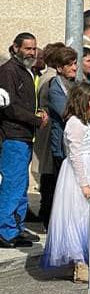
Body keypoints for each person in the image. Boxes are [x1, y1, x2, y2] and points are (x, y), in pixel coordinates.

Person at [40, 82, 90, 282]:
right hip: (82, 174)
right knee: (78, 216)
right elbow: (75, 155)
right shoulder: (74, 124)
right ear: (83, 102)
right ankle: (80, 262)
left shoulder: (84, 123)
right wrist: (84, 184)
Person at [0, 33, 47, 247]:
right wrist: (35, 119)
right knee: (13, 184)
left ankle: (16, 228)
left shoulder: (26, 71)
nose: (32, 52)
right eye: (28, 48)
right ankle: (5, 231)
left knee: (21, 186)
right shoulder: (8, 71)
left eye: (34, 48)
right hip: (13, 136)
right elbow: (8, 106)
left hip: (25, 135)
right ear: (16, 48)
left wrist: (39, 113)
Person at [40, 46, 79, 228]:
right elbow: (66, 113)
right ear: (59, 67)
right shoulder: (55, 86)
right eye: (69, 65)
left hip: (74, 143)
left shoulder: (73, 83)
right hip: (62, 146)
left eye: (75, 63)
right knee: (60, 186)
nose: (74, 68)